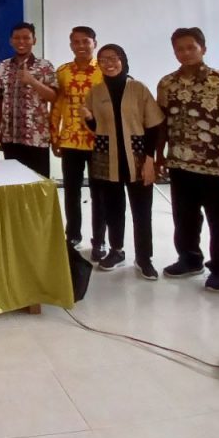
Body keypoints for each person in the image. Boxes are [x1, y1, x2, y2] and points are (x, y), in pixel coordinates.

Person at [156, 27, 219, 292]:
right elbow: (160, 123)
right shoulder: (167, 83)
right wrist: (159, 154)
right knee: (184, 217)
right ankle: (189, 258)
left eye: (191, 47)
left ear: (203, 48)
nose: (185, 53)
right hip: (179, 164)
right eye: (179, 49)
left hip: (215, 165)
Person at [83, 45, 164, 278]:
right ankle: (116, 250)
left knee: (141, 209)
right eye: (103, 59)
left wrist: (150, 159)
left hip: (138, 156)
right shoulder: (95, 92)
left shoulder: (138, 88)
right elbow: (96, 128)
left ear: (123, 60)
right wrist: (88, 120)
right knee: (113, 208)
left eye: (113, 58)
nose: (109, 63)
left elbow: (153, 125)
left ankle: (144, 258)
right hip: (106, 158)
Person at [50, 26, 106, 256]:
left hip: (98, 141)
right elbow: (56, 106)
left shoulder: (104, 70)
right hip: (70, 141)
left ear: (94, 43)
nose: (81, 46)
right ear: (71, 44)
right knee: (71, 192)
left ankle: (100, 240)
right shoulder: (62, 72)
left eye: (86, 41)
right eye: (76, 42)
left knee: (99, 193)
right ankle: (72, 235)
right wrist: (55, 136)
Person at [0, 22, 57, 177]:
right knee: (14, 184)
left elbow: (53, 97)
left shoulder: (44, 66)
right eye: (17, 38)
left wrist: (32, 81)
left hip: (37, 136)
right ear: (11, 41)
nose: (21, 42)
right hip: (10, 135)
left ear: (34, 40)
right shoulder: (3, 66)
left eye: (26, 38)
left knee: (39, 183)